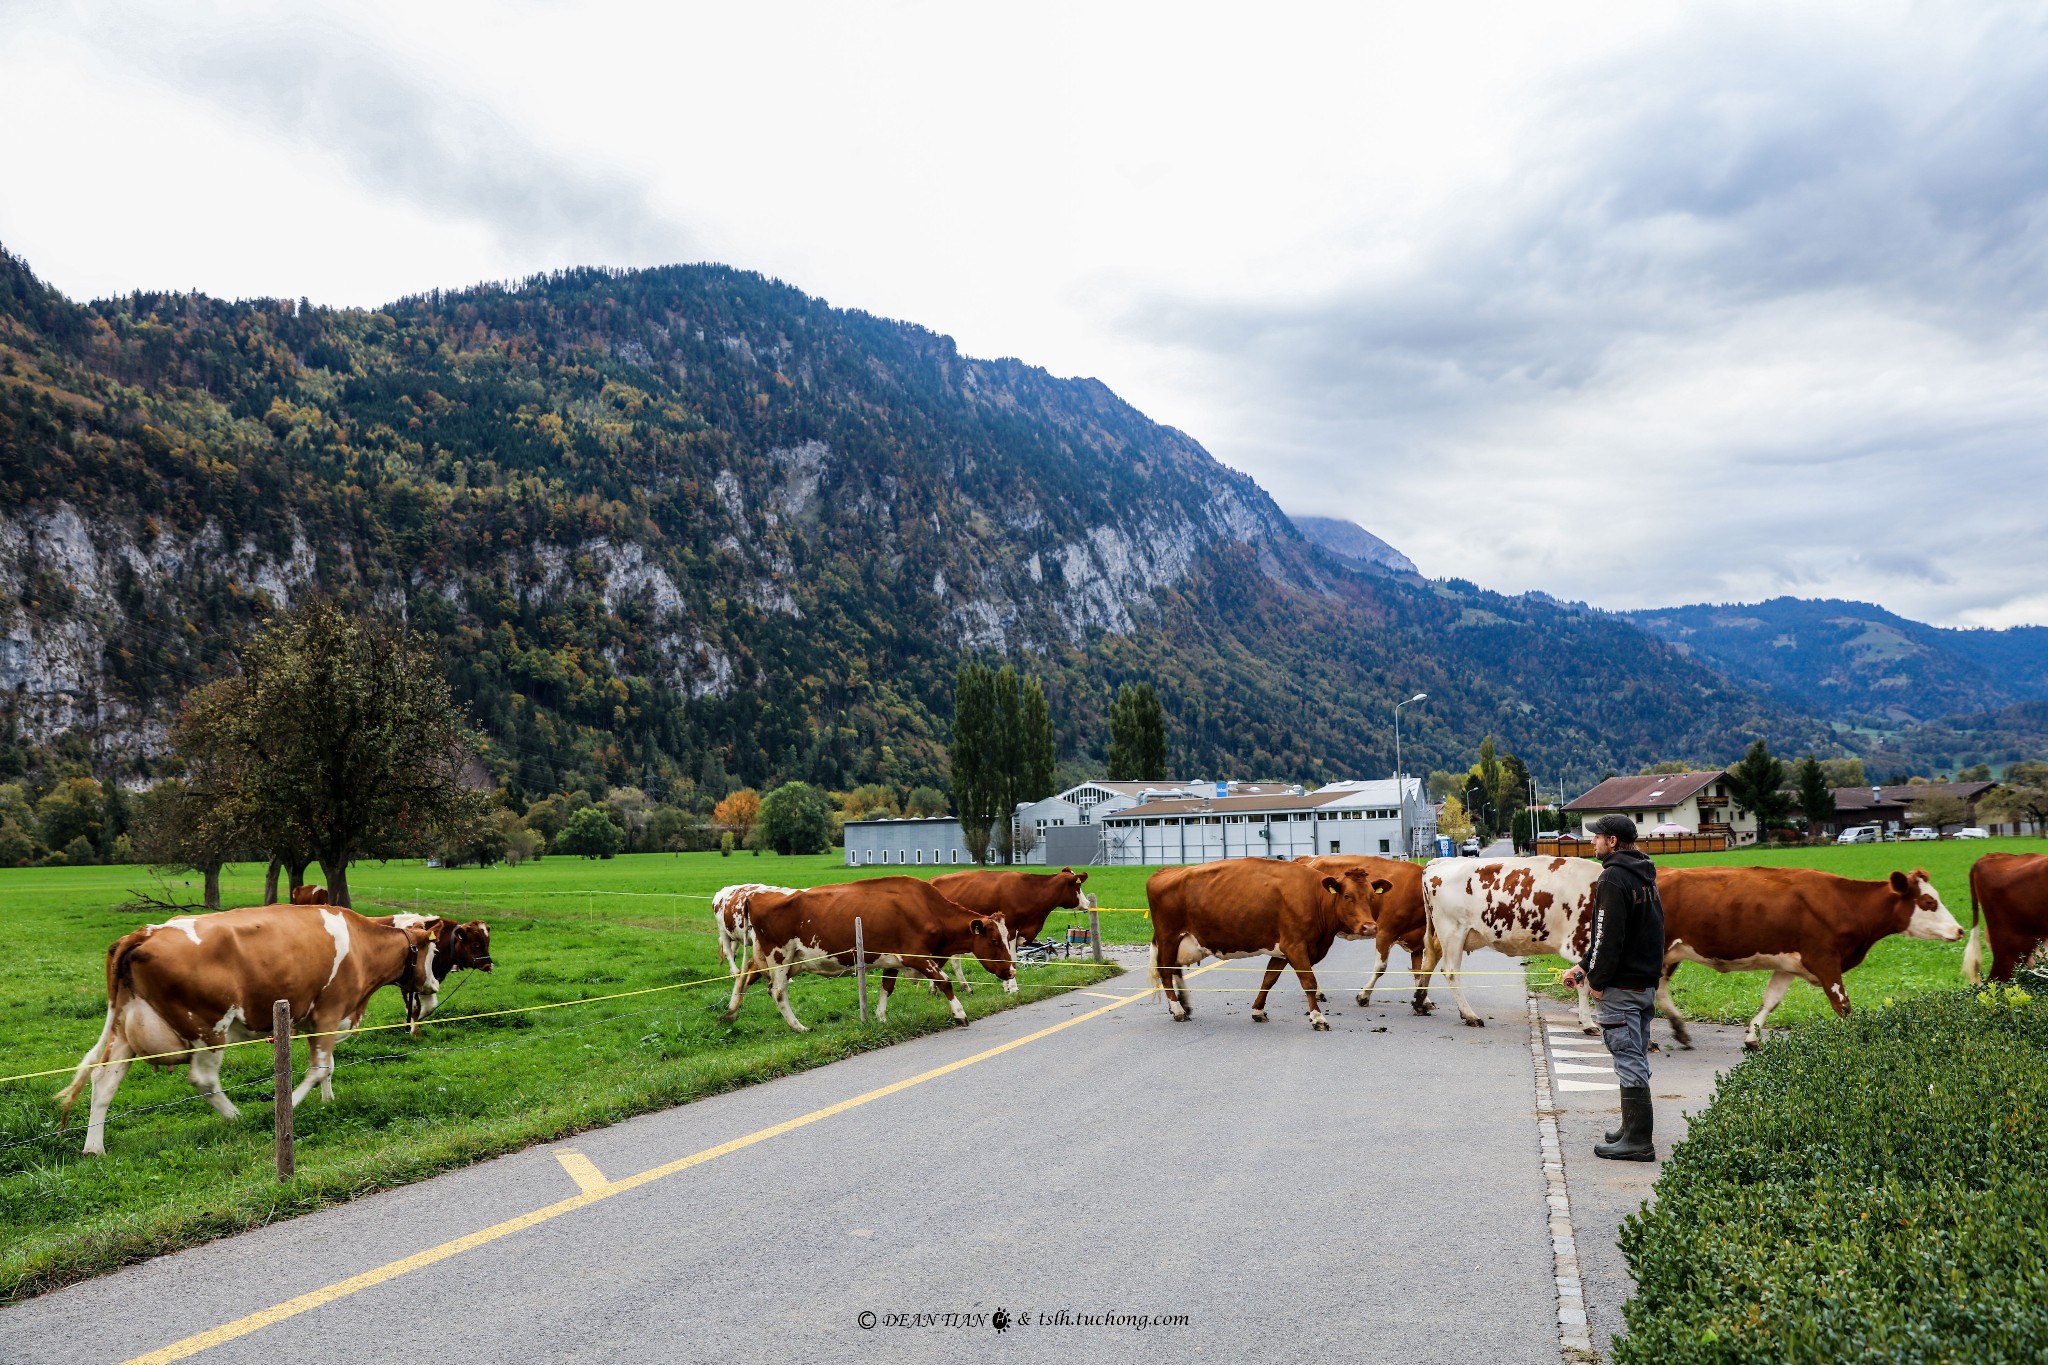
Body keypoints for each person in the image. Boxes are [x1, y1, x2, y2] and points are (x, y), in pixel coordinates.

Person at [1559, 813, 1665, 1161]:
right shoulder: (1645, 873)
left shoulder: (1613, 878)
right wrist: (1583, 965)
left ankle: (1637, 1141)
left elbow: (1608, 937)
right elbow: (1641, 931)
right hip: (1644, 984)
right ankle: (1630, 1126)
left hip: (1622, 986)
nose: (1592, 842)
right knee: (1634, 1052)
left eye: (1597, 837)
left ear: (1613, 841)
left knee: (1627, 1055)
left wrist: (1598, 981)